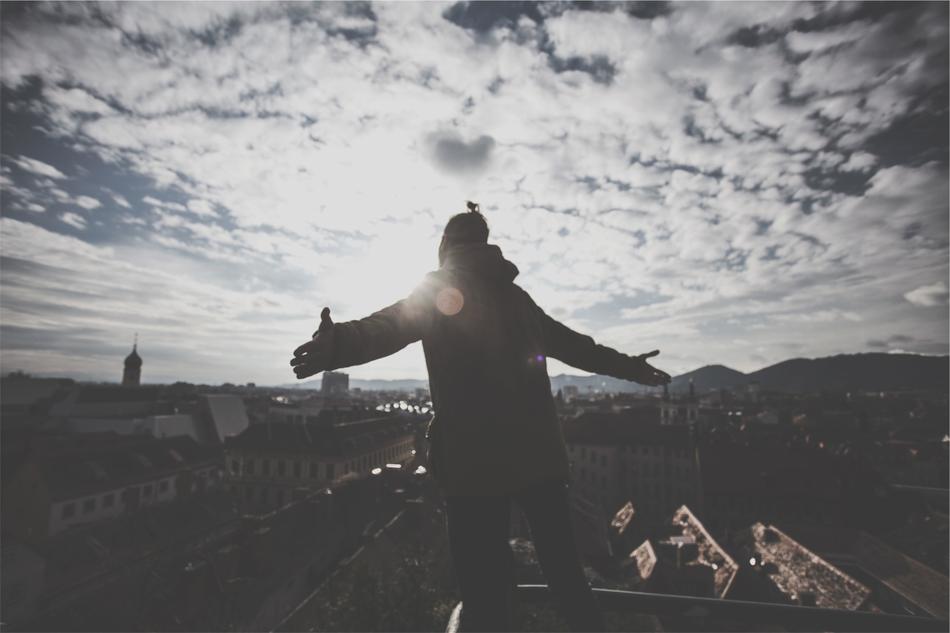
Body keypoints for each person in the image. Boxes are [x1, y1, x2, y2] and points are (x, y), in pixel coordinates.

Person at [291, 203, 671, 632]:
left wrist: (336, 343)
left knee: (484, 596)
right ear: (486, 245)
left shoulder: (440, 288)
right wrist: (632, 368)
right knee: (568, 583)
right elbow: (578, 348)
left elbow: (387, 327)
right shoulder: (518, 299)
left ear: (446, 245)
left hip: (473, 466)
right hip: (541, 461)